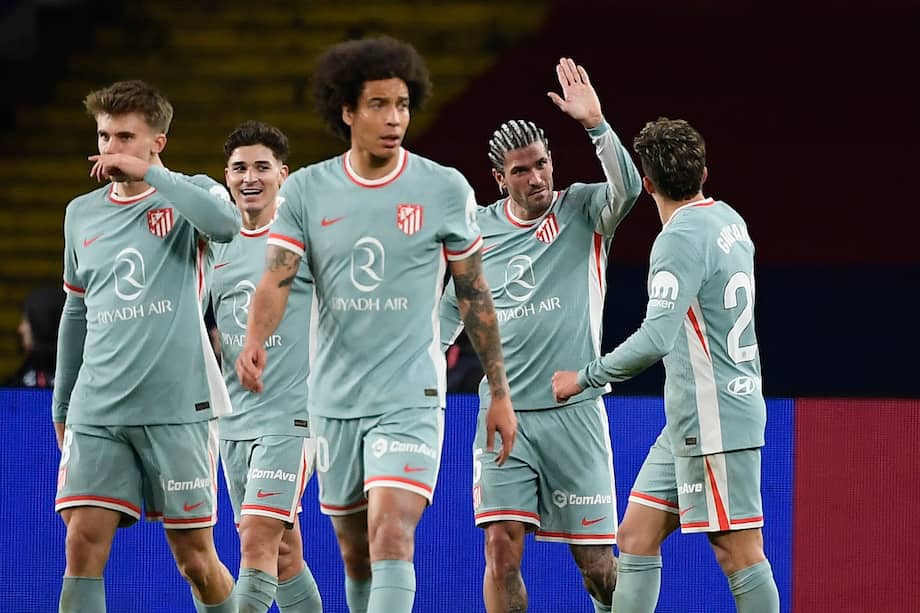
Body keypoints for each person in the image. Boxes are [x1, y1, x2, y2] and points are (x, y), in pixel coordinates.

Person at [236, 36, 517, 613]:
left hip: (410, 395)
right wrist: (254, 341)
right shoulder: (308, 191)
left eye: (404, 105)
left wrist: (499, 391)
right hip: (334, 399)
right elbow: (277, 278)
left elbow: (474, 292)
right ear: (346, 111)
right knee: (355, 551)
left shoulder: (443, 187)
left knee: (392, 532)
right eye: (379, 105)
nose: (395, 119)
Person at [553, 117, 780, 613]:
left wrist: (584, 378)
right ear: (705, 171)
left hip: (715, 417)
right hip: (692, 419)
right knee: (635, 535)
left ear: (648, 183)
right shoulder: (729, 220)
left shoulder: (677, 239)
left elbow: (655, 339)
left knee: (737, 549)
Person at [440, 57, 642, 613]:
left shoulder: (581, 209)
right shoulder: (477, 229)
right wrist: (423, 362)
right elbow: (451, 308)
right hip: (506, 418)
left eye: (543, 164)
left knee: (599, 567)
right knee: (501, 551)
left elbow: (627, 190)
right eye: (522, 170)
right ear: (499, 179)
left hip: (575, 413)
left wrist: (596, 126)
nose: (537, 178)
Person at [51, 79, 240, 613]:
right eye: (104, 136)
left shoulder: (192, 193)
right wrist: (63, 402)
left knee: (195, 560)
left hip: (175, 406)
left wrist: (151, 177)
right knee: (82, 543)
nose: (111, 149)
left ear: (157, 141)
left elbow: (227, 226)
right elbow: (76, 311)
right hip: (98, 408)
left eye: (125, 137)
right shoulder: (80, 213)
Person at [210, 120, 322, 613]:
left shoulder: (306, 239)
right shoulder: (215, 243)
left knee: (256, 539)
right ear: (226, 176)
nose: (249, 177)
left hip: (292, 418)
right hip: (231, 422)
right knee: (283, 551)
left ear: (283, 174)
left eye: (261, 167)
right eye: (239, 168)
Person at [4, 286, 66, 388]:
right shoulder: (16, 385)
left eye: (27, 321)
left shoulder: (82, 384)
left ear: (43, 323)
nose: (20, 329)